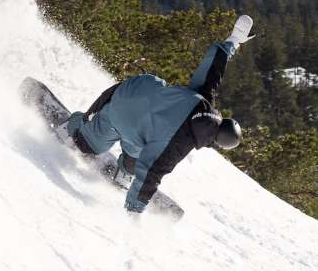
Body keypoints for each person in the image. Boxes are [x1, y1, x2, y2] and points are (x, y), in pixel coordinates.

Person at [65, 15, 254, 213]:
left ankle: (105, 146)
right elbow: (151, 172)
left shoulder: (203, 98)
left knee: (134, 139)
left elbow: (214, 67)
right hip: (121, 115)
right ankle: (75, 129)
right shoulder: (181, 142)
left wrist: (234, 40)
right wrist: (133, 212)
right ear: (215, 141)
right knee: (89, 145)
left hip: (133, 89)